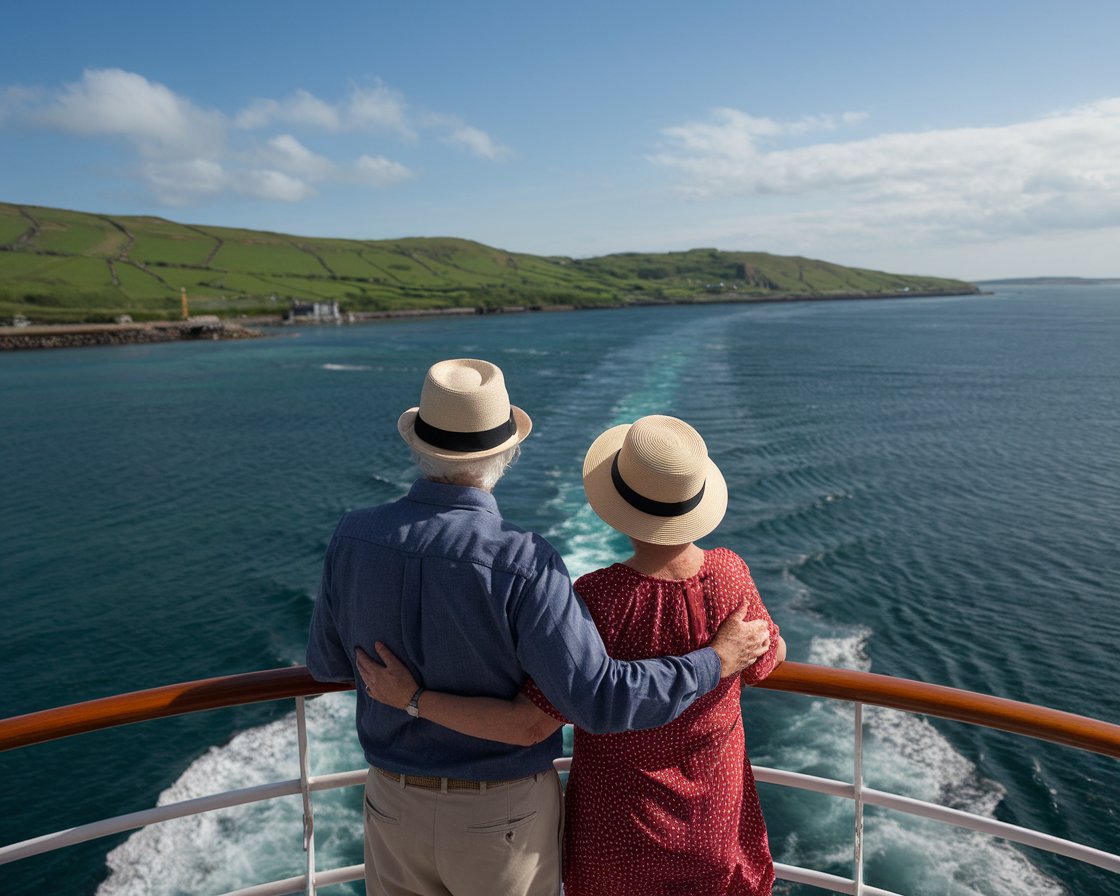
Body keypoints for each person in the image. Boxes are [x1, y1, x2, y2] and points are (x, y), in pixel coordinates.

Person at [306, 360, 774, 896]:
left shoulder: (352, 535)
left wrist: (409, 694)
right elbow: (593, 701)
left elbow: (327, 665)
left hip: (392, 803)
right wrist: (713, 660)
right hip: (499, 814)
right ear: (507, 453)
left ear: (418, 442)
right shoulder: (527, 563)